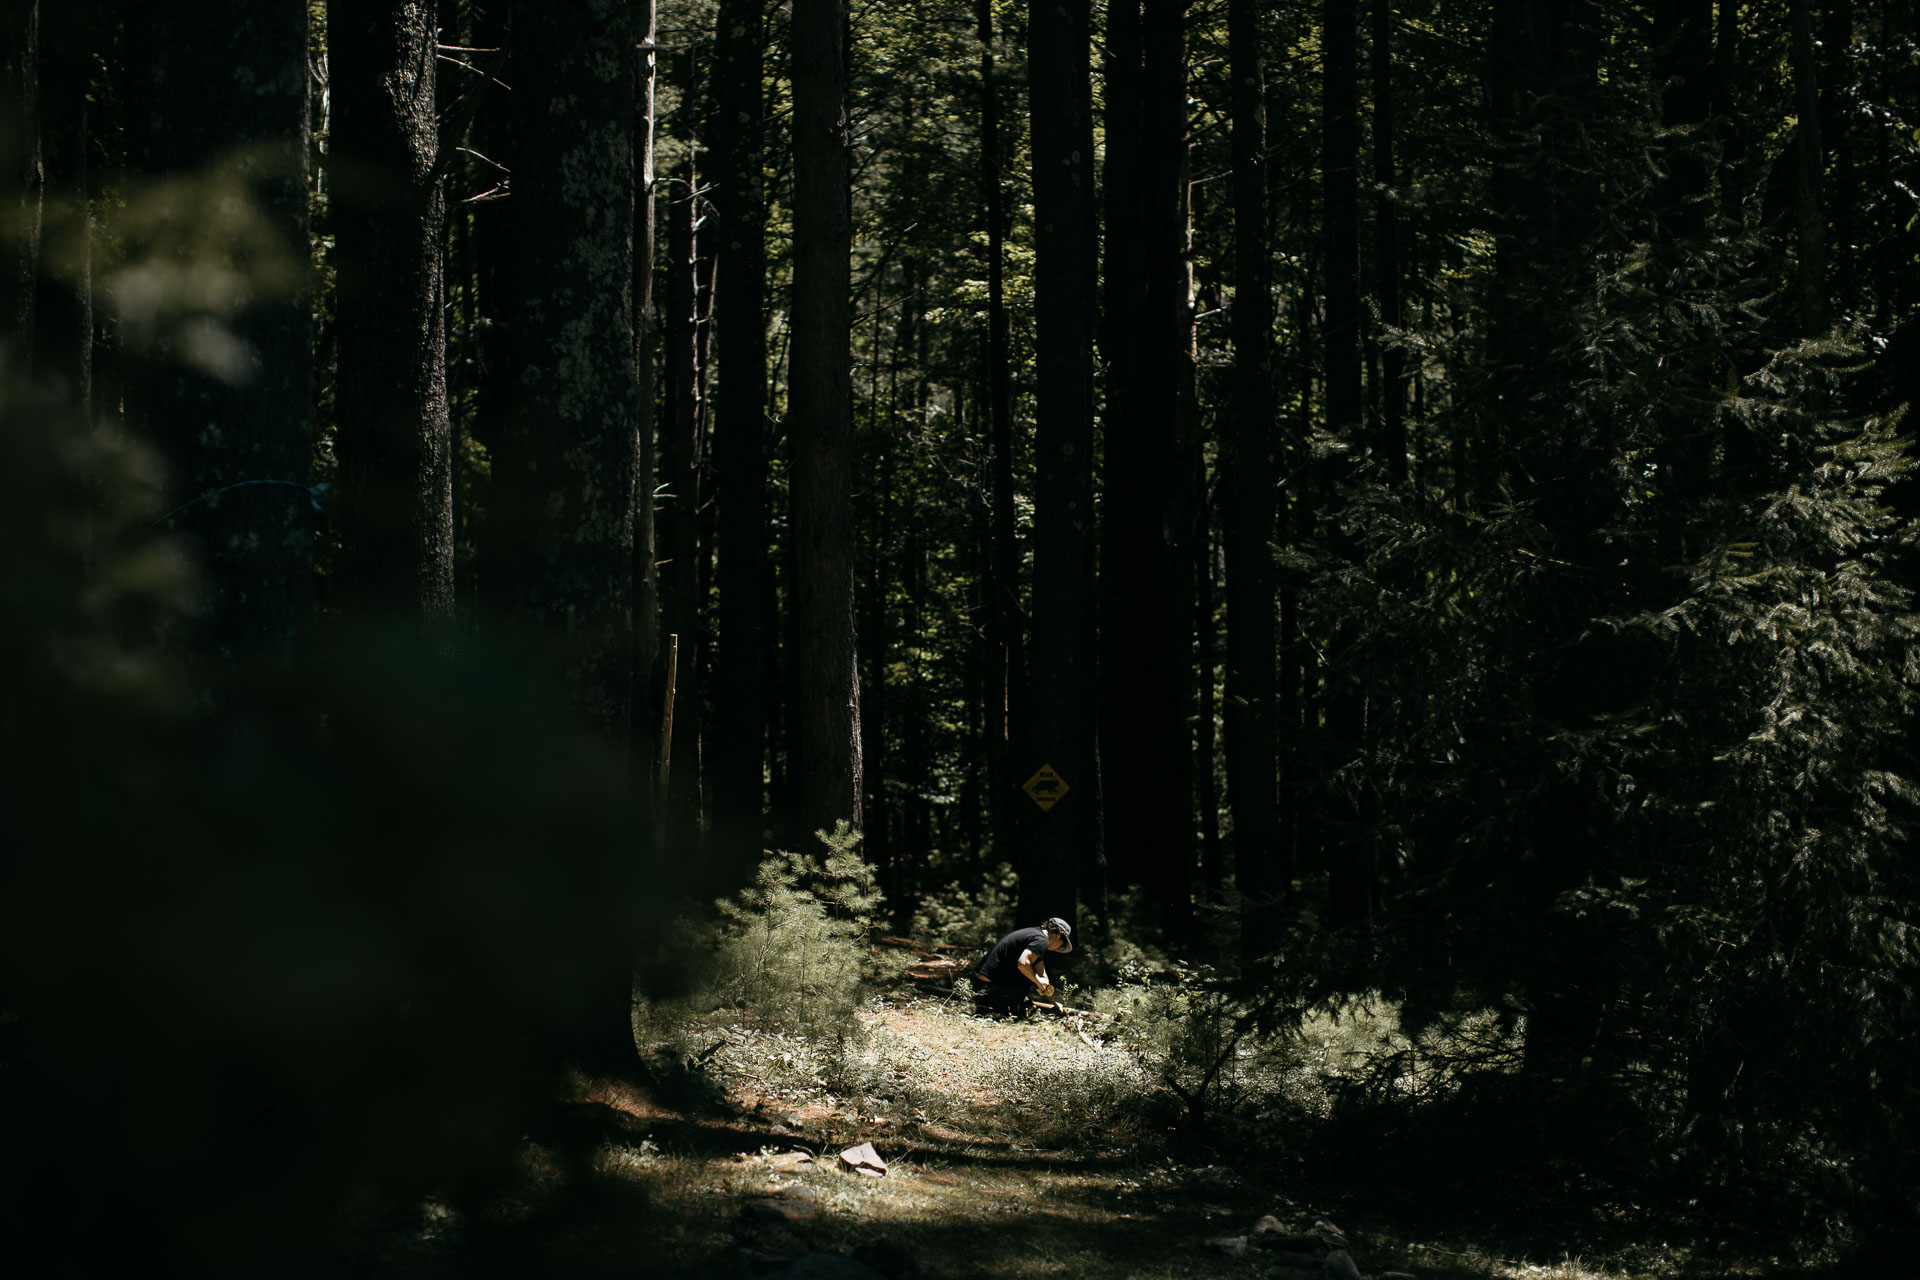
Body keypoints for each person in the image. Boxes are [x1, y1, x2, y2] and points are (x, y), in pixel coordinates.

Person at [970, 917, 1073, 1014]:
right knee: (1027, 977)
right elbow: (1023, 963)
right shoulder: (1041, 941)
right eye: (1062, 944)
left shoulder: (1035, 935)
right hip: (991, 983)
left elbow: (1043, 978)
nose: (1058, 948)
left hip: (983, 980)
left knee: (1030, 976)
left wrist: (1055, 1002)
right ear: (1059, 935)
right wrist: (1037, 981)